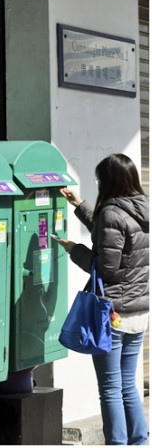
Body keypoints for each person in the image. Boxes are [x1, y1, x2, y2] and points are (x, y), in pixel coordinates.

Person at [56, 153, 149, 445]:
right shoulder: (141, 207)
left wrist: (74, 249)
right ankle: (136, 441)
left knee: (110, 388)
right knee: (127, 387)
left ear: (108, 181)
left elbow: (106, 268)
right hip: (139, 312)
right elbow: (111, 232)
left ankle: (118, 444)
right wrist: (79, 205)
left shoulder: (111, 212)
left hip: (113, 314)